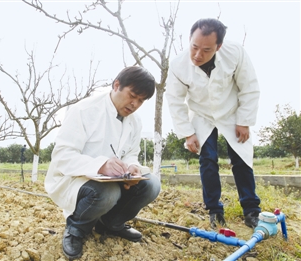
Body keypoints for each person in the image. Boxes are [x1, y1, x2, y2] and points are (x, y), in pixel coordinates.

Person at [45, 66, 161, 260]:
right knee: (108, 193)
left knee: (151, 185)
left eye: (141, 100)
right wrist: (100, 165)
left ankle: (111, 224)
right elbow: (63, 155)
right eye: (132, 95)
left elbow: (131, 153)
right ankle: (76, 229)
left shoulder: (134, 121)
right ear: (116, 85)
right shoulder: (84, 110)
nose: (134, 104)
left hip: (111, 180)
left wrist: (133, 168)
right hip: (74, 179)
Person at [165, 18, 261, 230]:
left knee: (241, 160)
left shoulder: (235, 53)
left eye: (206, 50)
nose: (198, 55)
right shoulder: (178, 65)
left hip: (231, 113)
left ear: (219, 46)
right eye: (194, 47)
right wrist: (188, 133)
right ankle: (215, 211)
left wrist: (244, 121)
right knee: (207, 160)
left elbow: (249, 86)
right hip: (202, 115)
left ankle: (252, 210)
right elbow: (174, 100)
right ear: (190, 40)